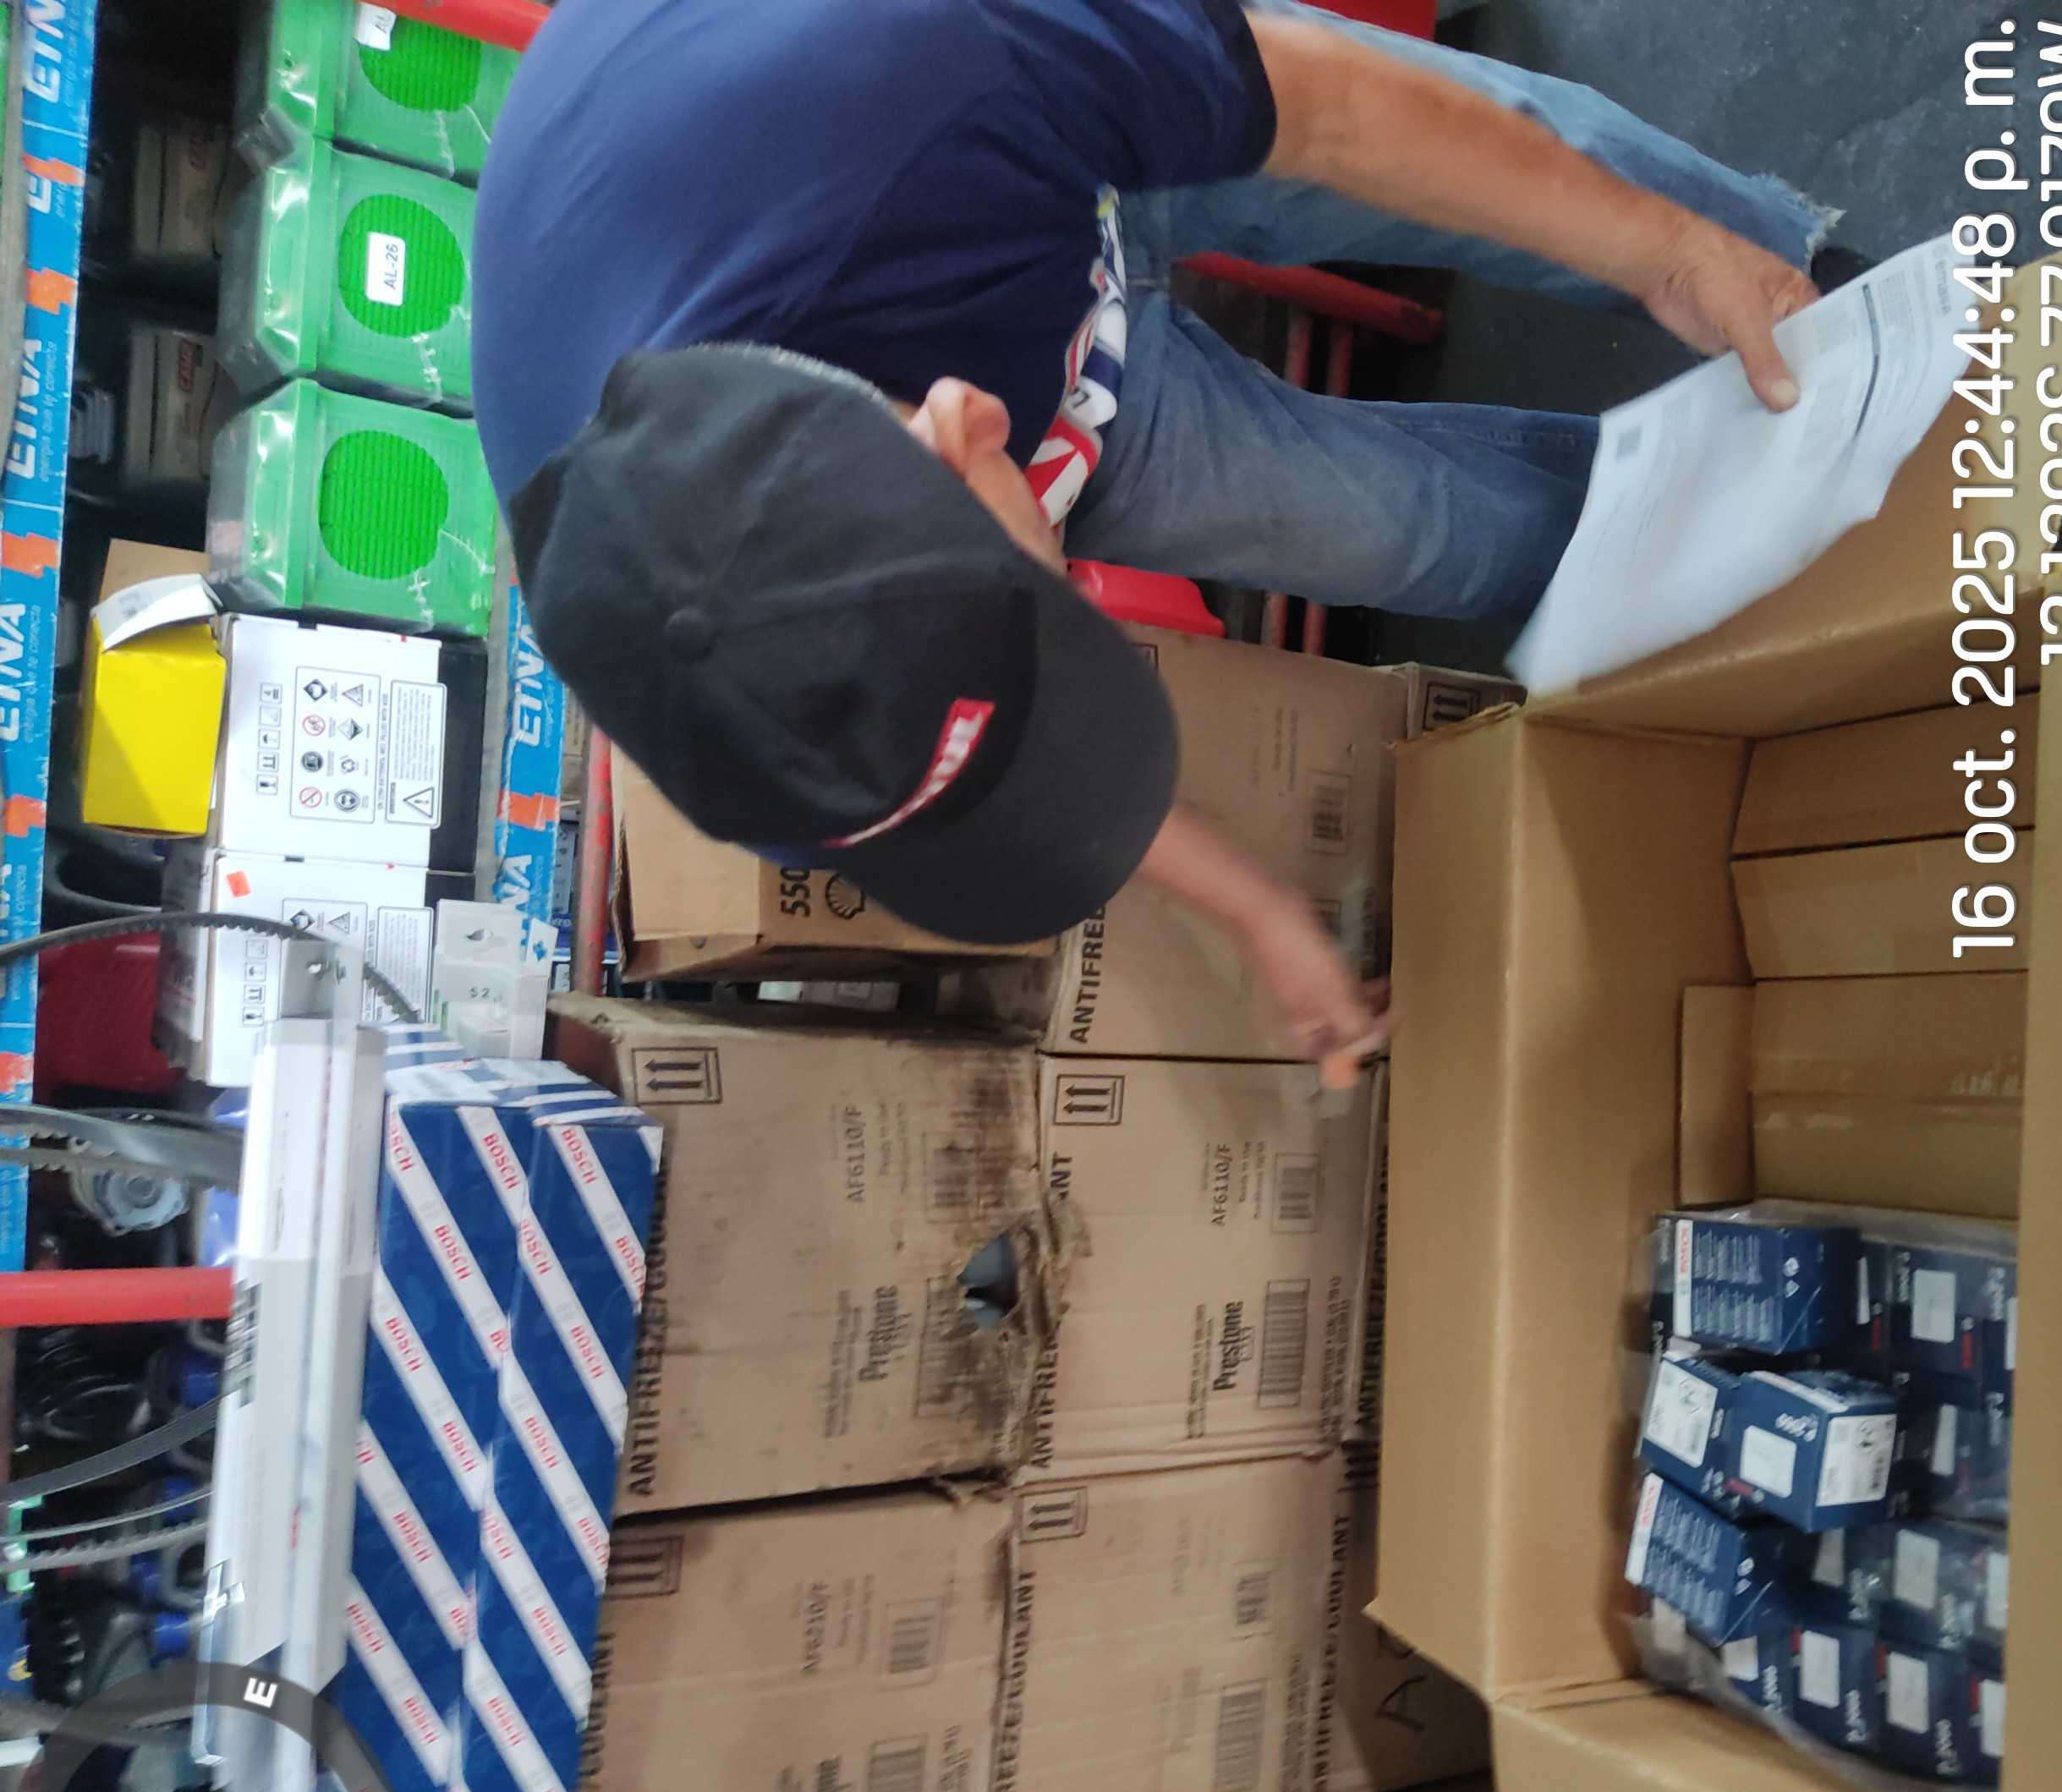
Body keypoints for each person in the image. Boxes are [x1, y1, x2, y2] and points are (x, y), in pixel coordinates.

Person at [477, 0, 1853, 1084]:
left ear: (967, 429)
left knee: (1541, 164)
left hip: (985, 148)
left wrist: (1672, 254)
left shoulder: (922, 74)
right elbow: (975, 746)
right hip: (985, 317)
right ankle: (1785, 544)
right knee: (1421, 534)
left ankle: (1825, 307)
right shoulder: (714, 687)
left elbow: (1338, 116)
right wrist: (1254, 910)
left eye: (1041, 605)